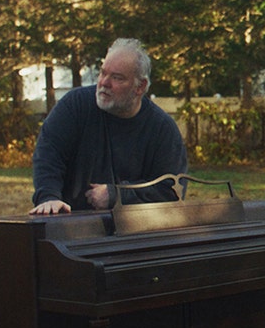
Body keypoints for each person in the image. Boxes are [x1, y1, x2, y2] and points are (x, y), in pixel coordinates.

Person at [30, 38, 187, 214]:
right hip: (71, 224)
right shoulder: (74, 106)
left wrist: (117, 196)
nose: (104, 82)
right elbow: (48, 155)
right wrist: (49, 198)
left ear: (140, 87)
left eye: (116, 77)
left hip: (135, 234)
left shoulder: (162, 129)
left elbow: (171, 190)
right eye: (103, 73)